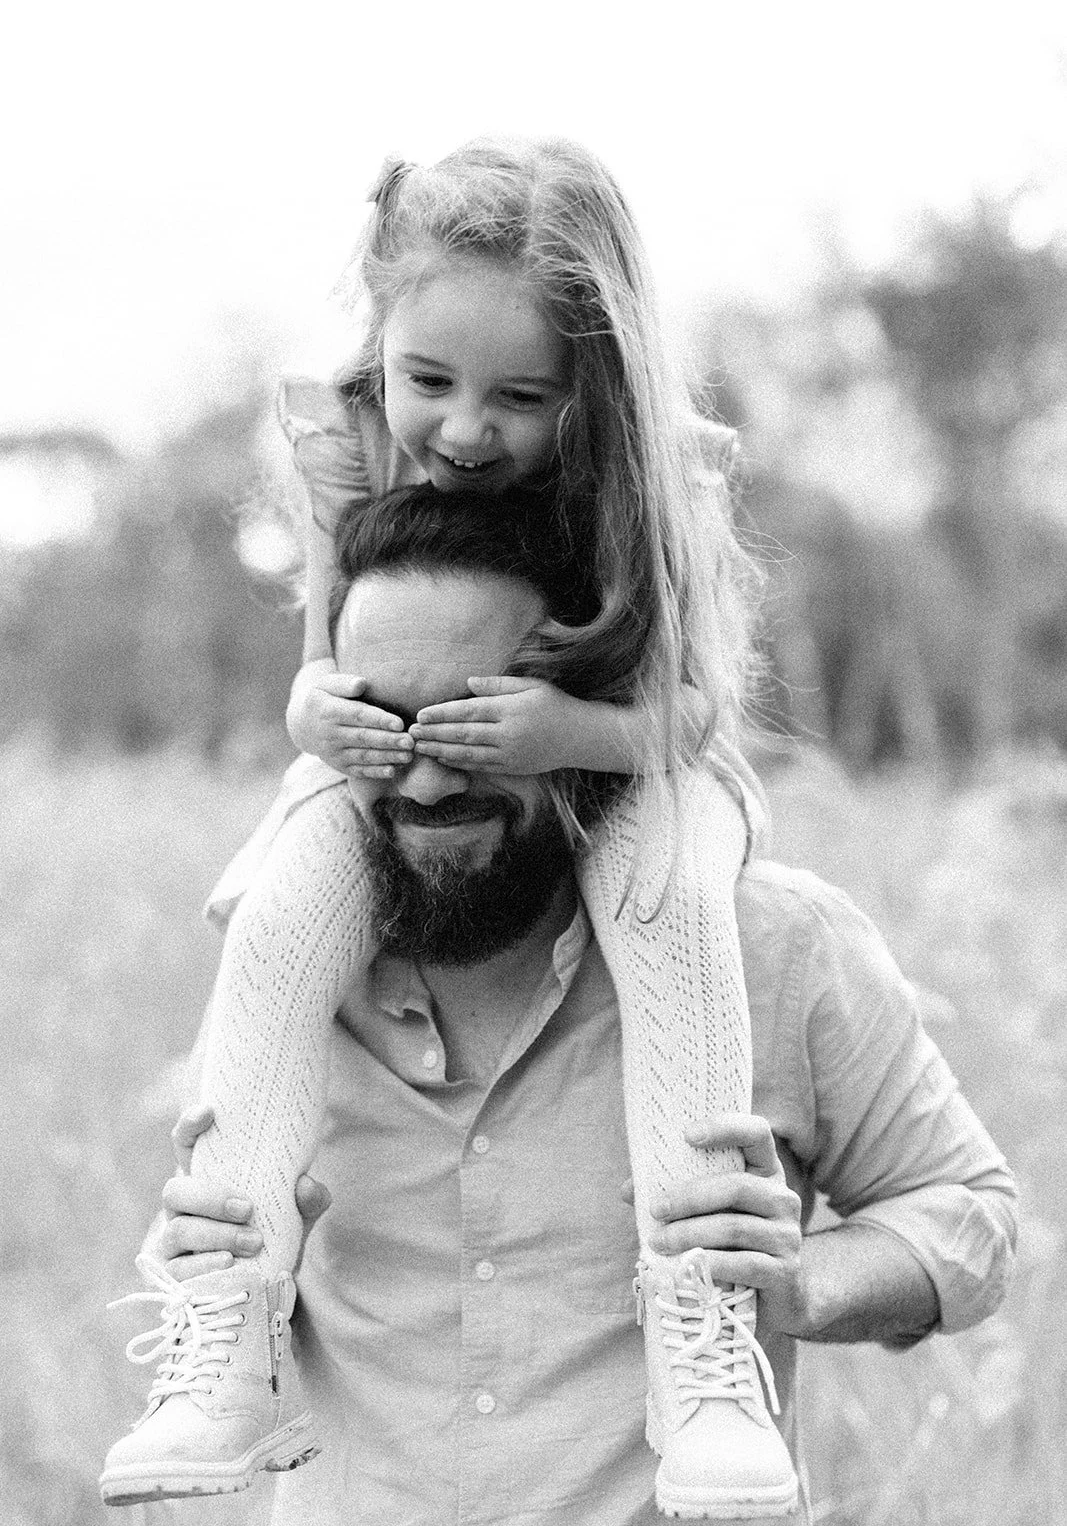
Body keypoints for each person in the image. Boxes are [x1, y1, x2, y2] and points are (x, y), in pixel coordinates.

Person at [100, 136, 781, 1516]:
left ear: (588, 382)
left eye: (518, 396)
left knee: (664, 904)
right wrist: (322, 725)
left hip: (628, 762)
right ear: (382, 345)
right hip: (403, 761)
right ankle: (221, 1331)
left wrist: (563, 734)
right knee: (285, 910)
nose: (466, 431)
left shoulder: (641, 479)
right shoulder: (353, 446)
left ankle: (696, 1347)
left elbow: (696, 714)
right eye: (432, 382)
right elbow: (315, 667)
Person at [138, 485, 1016, 1526]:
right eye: (380, 727)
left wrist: (801, 1284)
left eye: (471, 725)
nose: (421, 783)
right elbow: (226, 1338)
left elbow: (969, 1219)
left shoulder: (773, 944)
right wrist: (210, 1261)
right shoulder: (278, 972)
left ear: (585, 712)